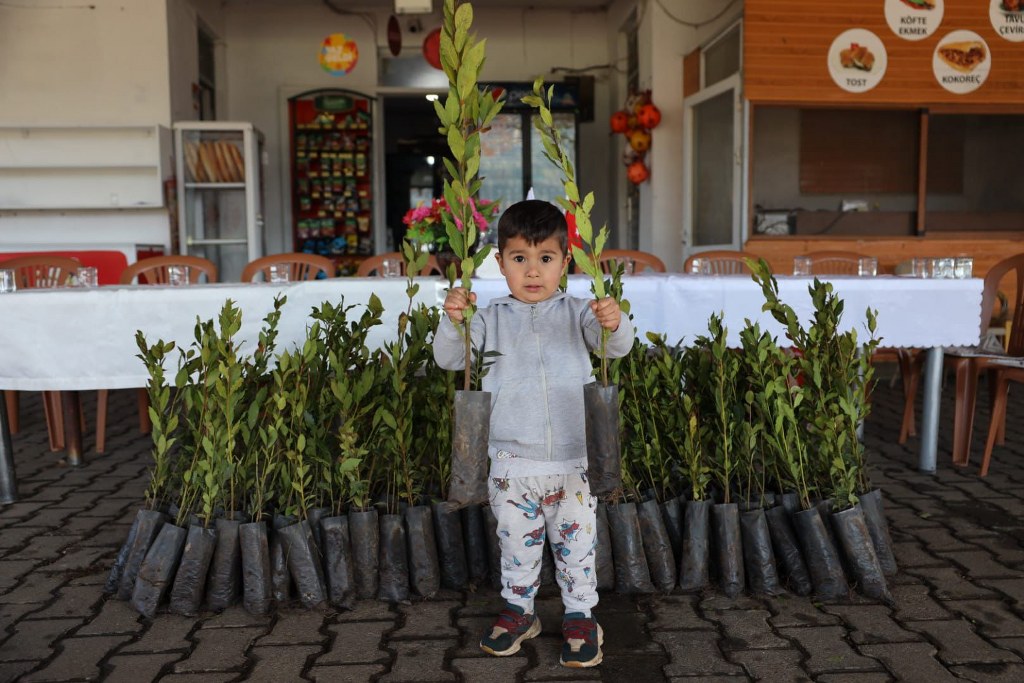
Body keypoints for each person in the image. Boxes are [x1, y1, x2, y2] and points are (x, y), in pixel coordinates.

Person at [433, 199, 634, 668]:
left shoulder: (580, 312)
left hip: (573, 460)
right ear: (499, 262)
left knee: (576, 544)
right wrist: (454, 321)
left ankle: (582, 614)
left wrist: (614, 321)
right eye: (519, 258)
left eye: (545, 258)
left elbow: (617, 347)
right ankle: (520, 611)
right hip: (511, 462)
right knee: (515, 542)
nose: (532, 271)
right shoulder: (489, 318)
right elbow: (449, 359)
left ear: (566, 262)